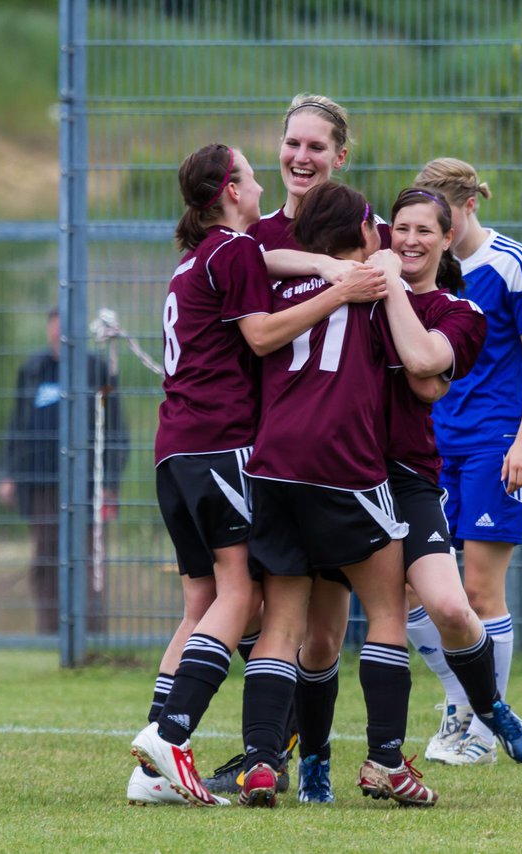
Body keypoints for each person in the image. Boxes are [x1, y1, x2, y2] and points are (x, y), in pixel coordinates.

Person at [127, 144, 385, 806]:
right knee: (242, 598)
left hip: (174, 452)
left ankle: (152, 769)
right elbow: (264, 337)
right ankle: (170, 734)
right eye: (250, 174)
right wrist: (340, 288)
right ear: (231, 190)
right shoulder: (234, 250)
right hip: (220, 445)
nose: (263, 181)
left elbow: (265, 264)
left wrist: (323, 265)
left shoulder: (198, 256)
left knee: (201, 606)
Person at [201, 91, 391, 799]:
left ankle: (301, 757)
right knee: (250, 606)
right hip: (261, 452)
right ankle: (250, 749)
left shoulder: (362, 233)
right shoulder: (251, 238)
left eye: (317, 147)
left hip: (342, 456)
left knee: (319, 628)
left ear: (342, 157)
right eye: (292, 144)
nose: (300, 157)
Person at [236, 181, 437, 808]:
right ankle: (384, 761)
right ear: (367, 235)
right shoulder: (378, 295)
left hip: (272, 467)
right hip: (343, 468)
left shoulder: (277, 288)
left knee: (282, 625)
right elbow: (425, 377)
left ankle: (264, 763)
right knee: (386, 612)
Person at [413, 156, 522, 765]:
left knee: (478, 588)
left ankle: (477, 728)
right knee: (412, 586)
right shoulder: (427, 267)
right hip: (430, 445)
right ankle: (462, 700)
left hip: (496, 442)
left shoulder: (510, 262)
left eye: (442, 216)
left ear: (468, 207)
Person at [0, 305, 128, 635]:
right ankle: (50, 633)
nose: (59, 335)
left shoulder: (97, 370)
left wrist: (109, 481)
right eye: (55, 328)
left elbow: (116, 430)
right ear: (48, 331)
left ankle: (91, 633)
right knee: (46, 559)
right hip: (41, 482)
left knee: (88, 559)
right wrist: (8, 473)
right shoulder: (33, 369)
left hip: (87, 484)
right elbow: (17, 425)